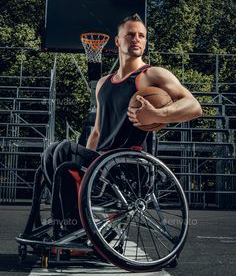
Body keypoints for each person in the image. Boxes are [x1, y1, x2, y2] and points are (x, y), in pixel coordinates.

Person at [42, 13, 202, 229]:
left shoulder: (151, 74)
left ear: (145, 41)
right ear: (117, 41)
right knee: (53, 154)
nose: (136, 39)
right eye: (130, 35)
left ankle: (74, 228)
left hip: (128, 165)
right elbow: (97, 132)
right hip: (101, 161)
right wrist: (85, 167)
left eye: (141, 35)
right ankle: (71, 225)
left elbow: (194, 106)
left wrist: (158, 115)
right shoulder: (103, 83)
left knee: (61, 150)